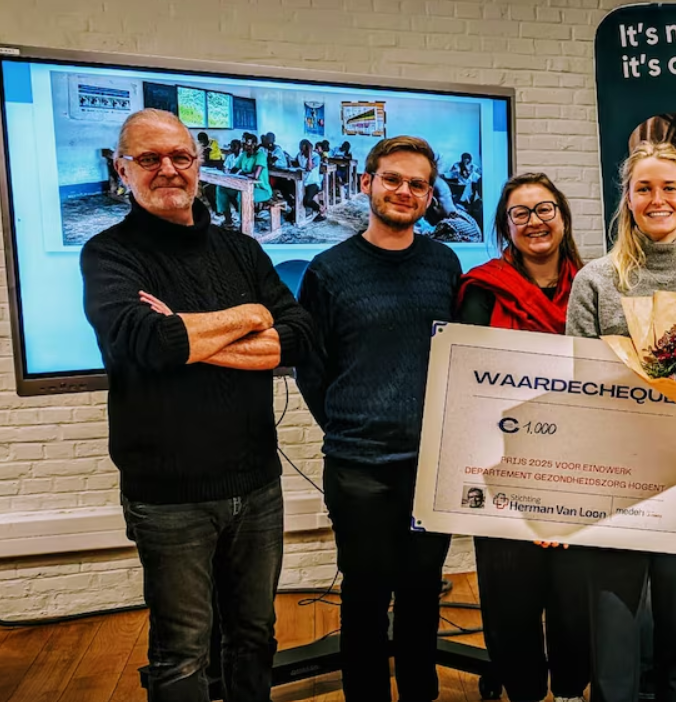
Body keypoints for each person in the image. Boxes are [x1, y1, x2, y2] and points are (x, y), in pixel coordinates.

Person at [80, 108, 314, 701]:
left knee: (255, 636)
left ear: (198, 164)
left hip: (256, 483)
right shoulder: (108, 255)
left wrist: (190, 336)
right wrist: (248, 317)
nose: (167, 170)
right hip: (168, 495)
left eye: (180, 156)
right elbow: (147, 343)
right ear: (122, 168)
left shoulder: (241, 251)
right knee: (181, 653)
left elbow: (299, 335)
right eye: (149, 158)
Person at [566, 141, 676, 702]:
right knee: (614, 625)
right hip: (614, 476)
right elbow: (578, 382)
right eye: (644, 188)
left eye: (669, 188)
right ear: (628, 198)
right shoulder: (594, 280)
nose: (657, 199)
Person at [294, 136, 463, 702]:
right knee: (365, 597)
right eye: (393, 179)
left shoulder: (444, 263)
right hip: (359, 468)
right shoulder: (329, 269)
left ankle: (420, 693)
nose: (404, 192)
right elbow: (312, 370)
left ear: (428, 195)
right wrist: (353, 424)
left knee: (421, 595)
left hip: (431, 466)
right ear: (367, 182)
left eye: (417, 184)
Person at [457, 172, 590, 702]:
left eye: (545, 210)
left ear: (562, 216)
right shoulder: (481, 291)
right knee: (509, 599)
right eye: (521, 213)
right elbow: (466, 386)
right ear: (505, 225)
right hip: (502, 467)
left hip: (580, 469)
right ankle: (525, 692)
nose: (535, 222)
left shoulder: (595, 286)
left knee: (573, 599)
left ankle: (569, 692)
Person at [216, 132, 271, 232]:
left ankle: (244, 225)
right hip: (243, 186)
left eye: (246, 143)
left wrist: (241, 173)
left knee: (242, 195)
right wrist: (227, 170)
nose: (243, 145)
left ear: (253, 144)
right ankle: (228, 221)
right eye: (243, 143)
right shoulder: (244, 155)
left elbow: (255, 175)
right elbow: (234, 169)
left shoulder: (260, 155)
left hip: (261, 189)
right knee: (221, 188)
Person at [291, 139, 325, 222]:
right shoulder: (299, 155)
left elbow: (309, 168)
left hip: (313, 183)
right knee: (292, 193)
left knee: (307, 200)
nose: (302, 152)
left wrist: (309, 154)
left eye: (304, 150)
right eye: (301, 149)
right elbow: (295, 163)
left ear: (309, 149)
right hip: (302, 182)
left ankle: (321, 209)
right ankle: (296, 212)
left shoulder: (316, 156)